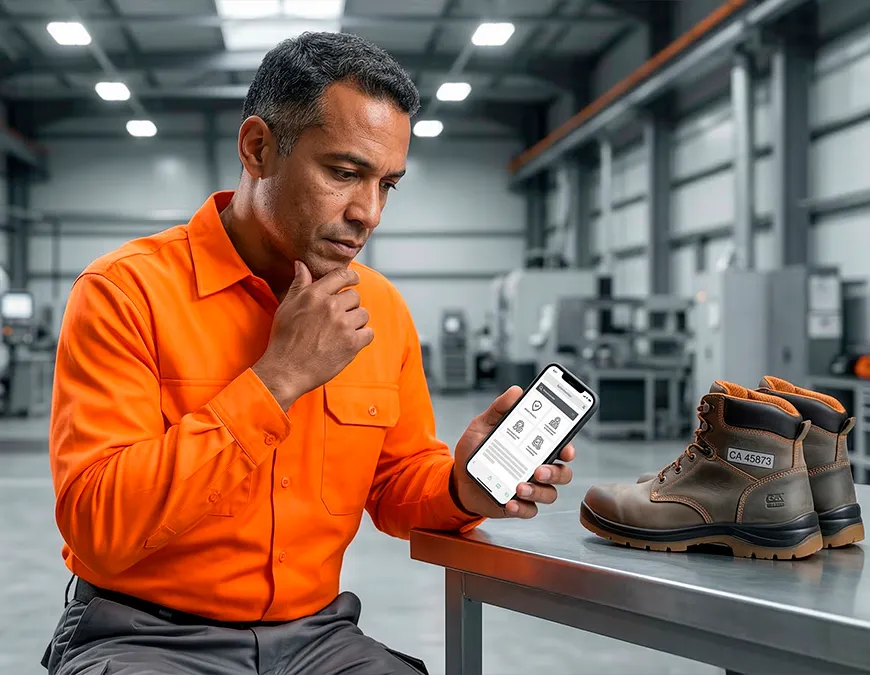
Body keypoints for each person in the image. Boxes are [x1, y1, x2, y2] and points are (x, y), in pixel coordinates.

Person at [42, 32, 576, 675]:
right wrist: (277, 379)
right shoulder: (126, 292)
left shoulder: (381, 310)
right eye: (345, 174)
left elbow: (395, 483)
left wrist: (462, 485)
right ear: (258, 148)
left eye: (388, 185)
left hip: (315, 638)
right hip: (141, 637)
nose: (369, 213)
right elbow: (97, 523)